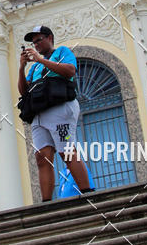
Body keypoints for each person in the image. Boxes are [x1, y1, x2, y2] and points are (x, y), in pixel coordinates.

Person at [18, 24, 93, 202]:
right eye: (33, 43)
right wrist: (21, 67)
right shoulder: (34, 68)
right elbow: (24, 91)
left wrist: (40, 59)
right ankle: (46, 203)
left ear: (50, 38)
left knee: (66, 151)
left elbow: (69, 71)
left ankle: (88, 193)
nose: (36, 45)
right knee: (42, 157)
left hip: (60, 108)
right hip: (39, 112)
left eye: (39, 40)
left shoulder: (62, 52)